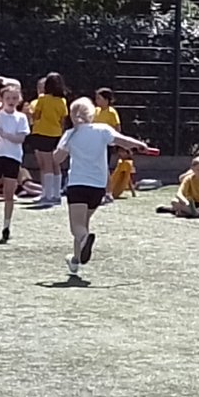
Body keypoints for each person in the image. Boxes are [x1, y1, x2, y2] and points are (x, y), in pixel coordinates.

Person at [53, 97, 147, 275]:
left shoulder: (70, 134)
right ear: (92, 114)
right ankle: (75, 260)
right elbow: (123, 140)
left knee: (77, 228)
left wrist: (59, 149)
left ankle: (84, 240)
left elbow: (57, 159)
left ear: (71, 115)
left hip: (78, 185)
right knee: (83, 223)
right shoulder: (102, 130)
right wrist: (139, 144)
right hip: (98, 187)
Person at [0, 85, 30, 242]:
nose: (11, 101)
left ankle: (6, 226)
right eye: (8, 98)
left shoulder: (21, 117)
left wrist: (6, 134)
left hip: (13, 157)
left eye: (15, 98)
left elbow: (20, 138)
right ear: (2, 99)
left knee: (9, 193)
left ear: (19, 99)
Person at [29, 72, 69, 207]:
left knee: (46, 164)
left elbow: (36, 116)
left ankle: (47, 194)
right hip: (56, 133)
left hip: (43, 133)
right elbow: (63, 119)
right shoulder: (62, 100)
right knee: (55, 163)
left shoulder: (42, 99)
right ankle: (57, 194)